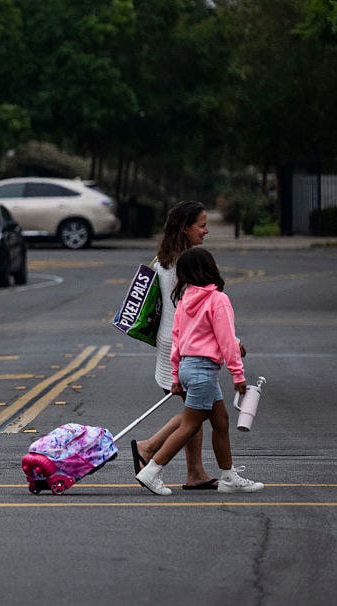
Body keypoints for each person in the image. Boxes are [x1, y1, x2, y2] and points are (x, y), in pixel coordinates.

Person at [134, 247, 264, 495]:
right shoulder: (218, 300)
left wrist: (175, 376)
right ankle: (152, 470)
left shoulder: (184, 299)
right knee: (190, 426)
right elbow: (227, 341)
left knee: (221, 421)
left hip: (188, 367)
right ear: (210, 269)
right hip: (204, 370)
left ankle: (228, 477)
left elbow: (177, 339)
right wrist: (238, 375)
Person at [132, 201, 230, 490]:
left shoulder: (163, 258)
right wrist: (230, 341)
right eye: (201, 225)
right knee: (196, 412)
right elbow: (199, 312)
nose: (207, 230)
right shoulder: (187, 264)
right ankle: (148, 450)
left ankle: (195, 472)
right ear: (185, 228)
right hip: (187, 344)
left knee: (198, 409)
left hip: (172, 340)